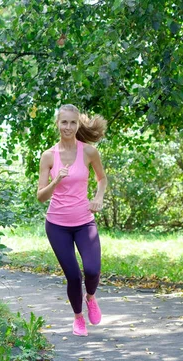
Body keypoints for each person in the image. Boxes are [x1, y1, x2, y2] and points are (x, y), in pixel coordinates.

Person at [37, 104, 108, 337]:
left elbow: (102, 179)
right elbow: (40, 197)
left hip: (84, 221)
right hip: (57, 225)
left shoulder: (88, 152)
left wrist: (98, 198)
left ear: (78, 124)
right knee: (74, 277)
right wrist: (56, 179)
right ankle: (78, 318)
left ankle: (91, 298)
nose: (68, 127)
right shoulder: (48, 156)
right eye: (64, 122)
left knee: (92, 270)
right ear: (57, 123)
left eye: (73, 122)